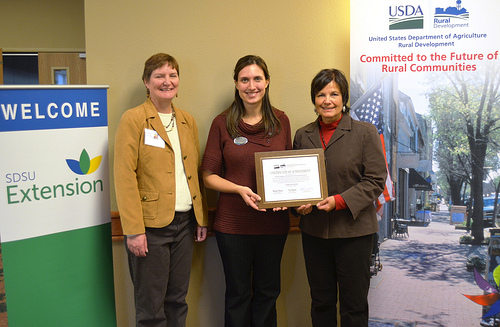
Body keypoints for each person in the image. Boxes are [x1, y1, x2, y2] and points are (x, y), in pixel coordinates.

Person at [114, 53, 208, 327]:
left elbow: (193, 172)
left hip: (184, 223)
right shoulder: (133, 120)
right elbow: (124, 176)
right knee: (151, 307)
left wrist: (201, 217)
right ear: (146, 82)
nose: (167, 81)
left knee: (178, 300)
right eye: (159, 76)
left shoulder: (187, 121)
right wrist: (134, 230)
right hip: (150, 228)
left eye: (172, 75)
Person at [201, 55, 292, 327]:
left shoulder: (281, 121)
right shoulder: (222, 123)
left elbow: (288, 170)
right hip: (233, 225)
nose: (251, 86)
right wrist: (239, 189)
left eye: (257, 79)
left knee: (268, 293)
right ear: (236, 84)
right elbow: (208, 176)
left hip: (273, 224)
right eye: (244, 79)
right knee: (237, 295)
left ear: (266, 82)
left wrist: (286, 198)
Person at [293, 68, 387, 326]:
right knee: (320, 303)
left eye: (334, 94)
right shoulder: (303, 135)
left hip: (354, 233)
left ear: (344, 97)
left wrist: (339, 201)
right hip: (314, 232)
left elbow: (376, 180)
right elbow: (294, 182)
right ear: (314, 99)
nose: (327, 100)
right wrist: (296, 206)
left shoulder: (365, 132)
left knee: (353, 306)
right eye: (321, 94)